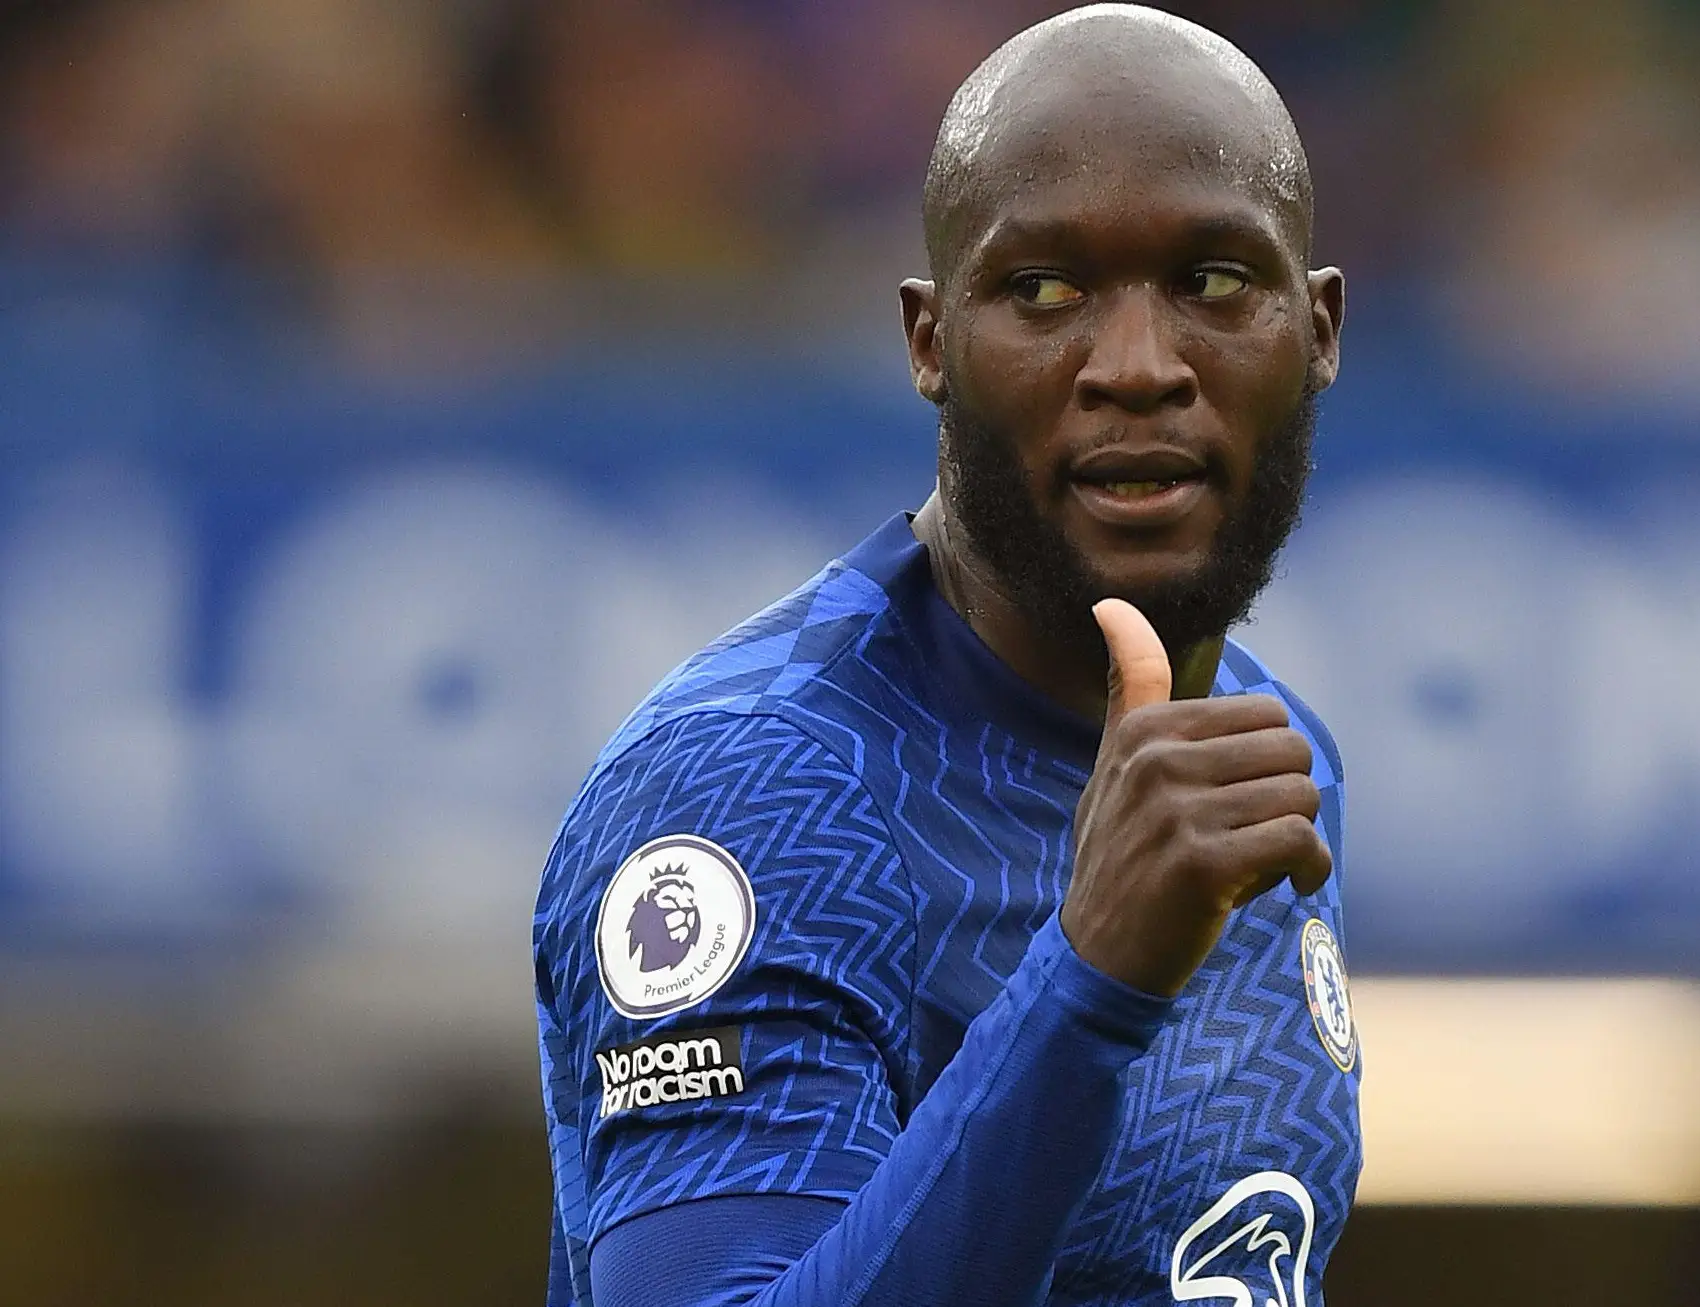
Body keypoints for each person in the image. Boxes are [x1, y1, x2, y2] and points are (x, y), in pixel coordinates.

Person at [532, 7, 1356, 1304]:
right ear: (930, 342)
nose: (1137, 367)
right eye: (1043, 291)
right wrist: (1088, 983)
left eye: (1211, 283)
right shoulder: (758, 793)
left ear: (1316, 331)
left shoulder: (1260, 758)